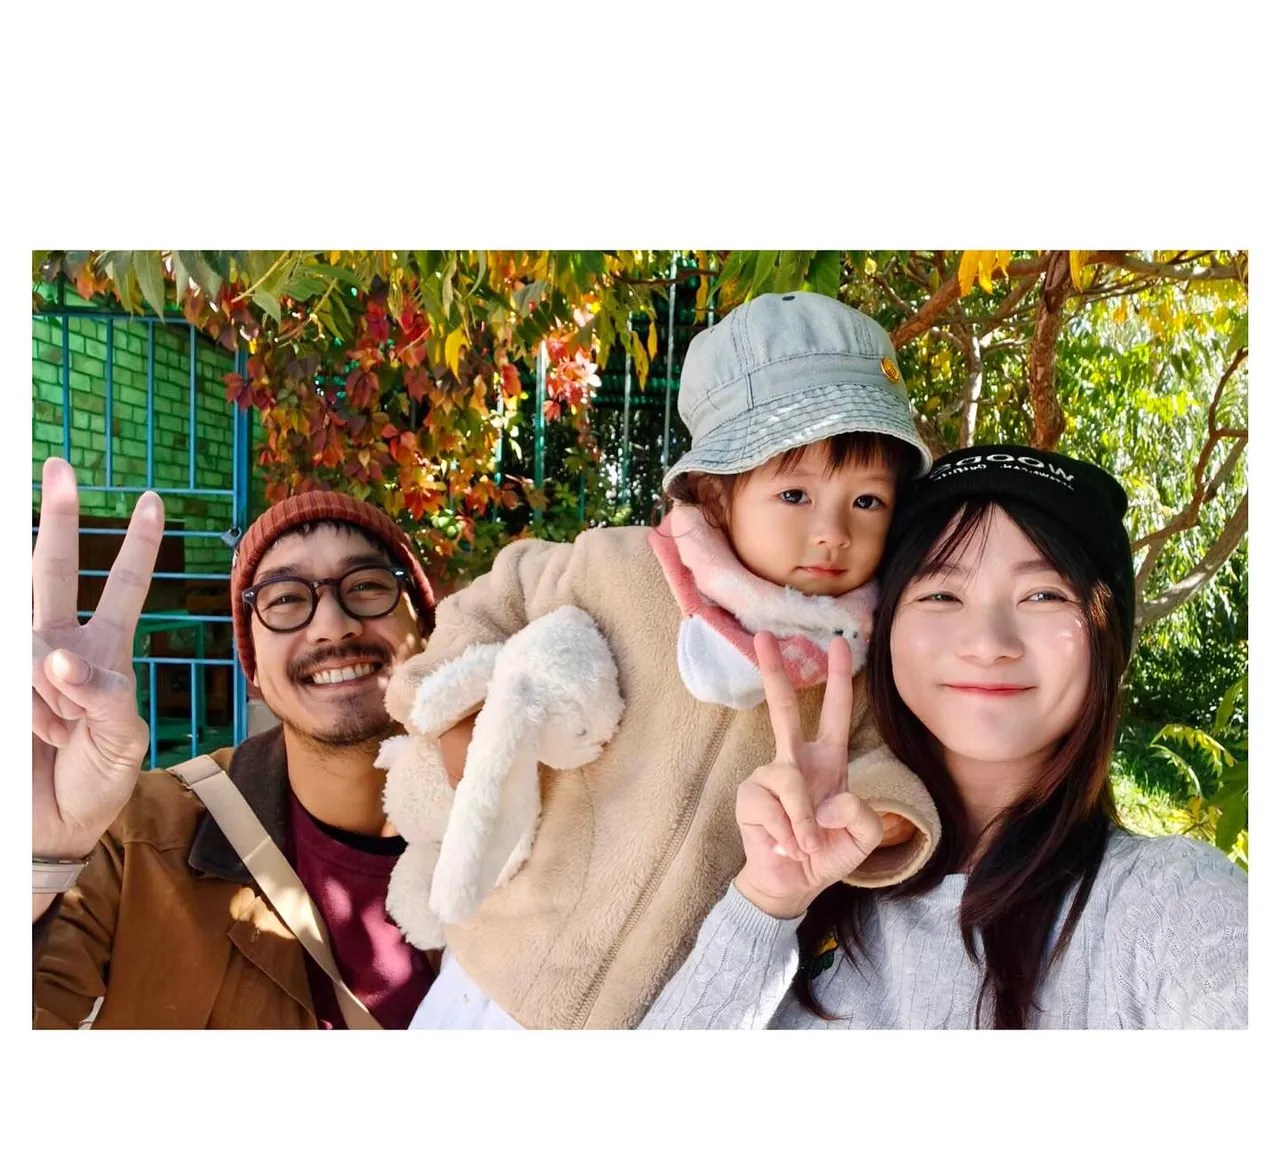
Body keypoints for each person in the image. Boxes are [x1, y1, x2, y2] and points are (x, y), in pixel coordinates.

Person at [387, 292, 943, 1030]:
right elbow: (490, 601)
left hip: (661, 1005)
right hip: (489, 977)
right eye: (794, 493)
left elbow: (882, 765)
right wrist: (462, 719)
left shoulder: (860, 658)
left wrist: (882, 819)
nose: (832, 532)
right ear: (716, 495)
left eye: (867, 501)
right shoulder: (617, 569)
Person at [641, 445, 1248, 1029]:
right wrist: (769, 900)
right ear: (885, 629)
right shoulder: (802, 873)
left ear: (1106, 636)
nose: (987, 644)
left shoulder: (1171, 905)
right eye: (941, 594)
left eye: (1043, 594)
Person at [32, 457, 438, 1028]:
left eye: (368, 586)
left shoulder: (523, 831)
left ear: (426, 630)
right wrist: (38, 858)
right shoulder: (138, 840)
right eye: (285, 599)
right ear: (253, 669)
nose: (332, 625)